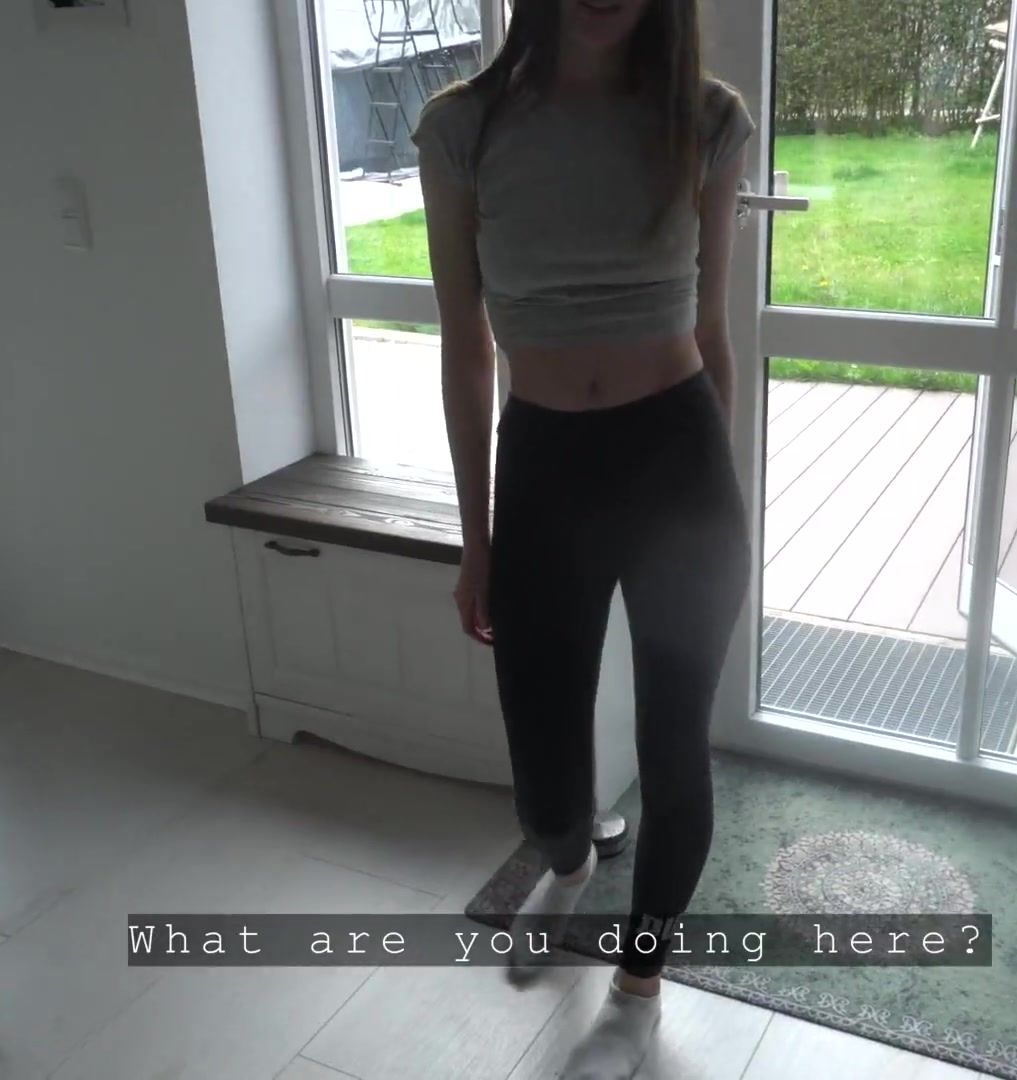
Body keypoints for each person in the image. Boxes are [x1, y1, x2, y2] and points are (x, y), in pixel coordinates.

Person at [412, 0, 753, 1075]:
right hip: (545, 468)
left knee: (674, 749)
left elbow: (712, 328)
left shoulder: (705, 118)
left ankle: (639, 989)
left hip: (678, 465)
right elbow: (464, 343)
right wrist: (476, 539)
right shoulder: (464, 126)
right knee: (545, 781)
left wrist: (721, 494)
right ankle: (568, 861)